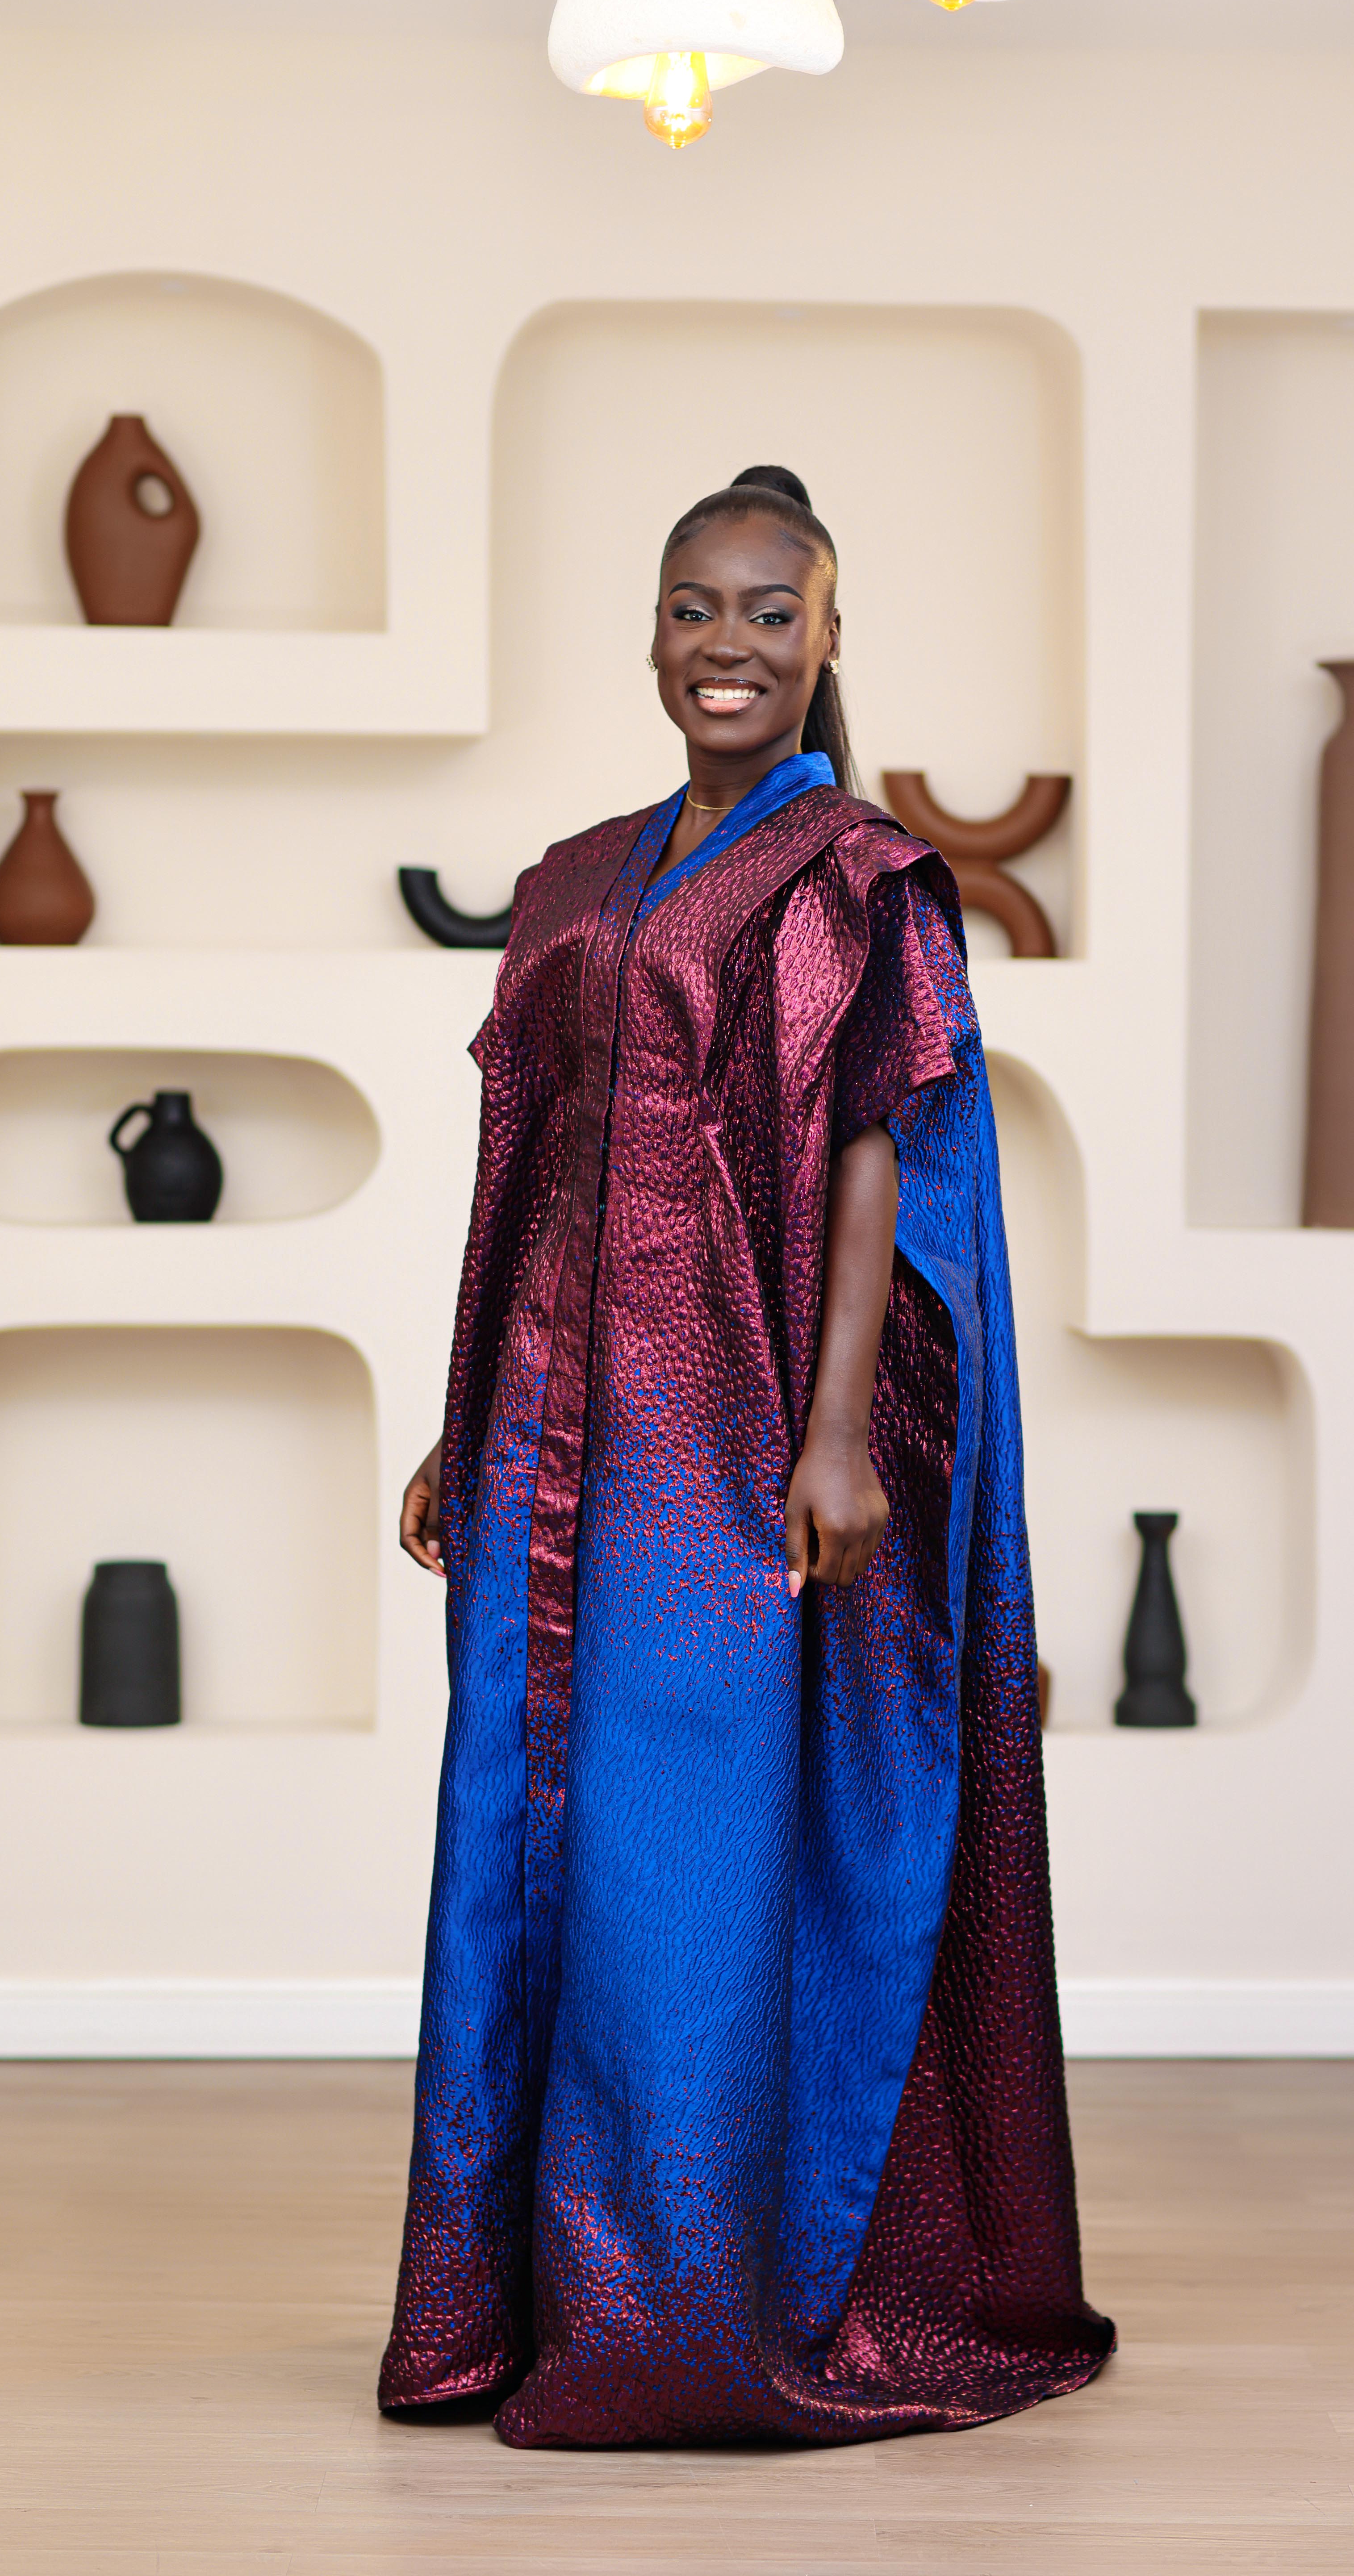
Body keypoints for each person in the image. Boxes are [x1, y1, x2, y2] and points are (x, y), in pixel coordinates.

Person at [379, 466, 1113, 2447]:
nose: (729, 644)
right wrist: (469, 1417)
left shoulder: (855, 877)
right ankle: (506, 2313)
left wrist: (835, 1437)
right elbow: (522, 1173)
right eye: (695, 608)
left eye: (770, 613)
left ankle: (682, 2306)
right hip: (553, 1427)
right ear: (648, 633)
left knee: (672, 1848)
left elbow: (881, 1151)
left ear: (827, 640)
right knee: (516, 1845)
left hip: (724, 1438)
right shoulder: (574, 877)